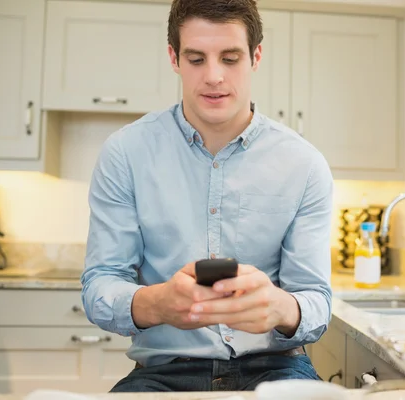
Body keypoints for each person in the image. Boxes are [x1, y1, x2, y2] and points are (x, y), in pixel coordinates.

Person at [80, 0, 334, 393]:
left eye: (230, 58)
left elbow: (316, 300)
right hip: (162, 373)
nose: (214, 76)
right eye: (196, 59)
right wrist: (158, 303)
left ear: (256, 57)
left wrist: (280, 307)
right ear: (174, 58)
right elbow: (100, 284)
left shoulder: (305, 164)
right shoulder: (125, 154)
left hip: (276, 368)